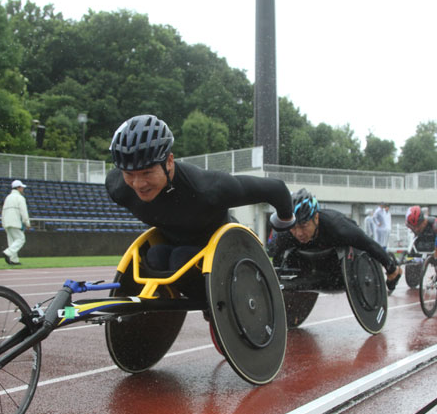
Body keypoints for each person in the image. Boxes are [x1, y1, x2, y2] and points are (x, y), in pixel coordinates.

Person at [105, 115, 295, 284]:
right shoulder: (118, 188)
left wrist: (283, 224)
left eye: (147, 172)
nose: (138, 184)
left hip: (223, 249)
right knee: (154, 257)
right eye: (129, 173)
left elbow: (276, 189)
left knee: (180, 258)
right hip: (172, 246)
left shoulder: (208, 189)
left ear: (169, 162)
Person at [270, 189, 403, 291]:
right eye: (294, 227)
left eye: (304, 226)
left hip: (339, 263)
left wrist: (391, 269)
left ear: (316, 218)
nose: (298, 233)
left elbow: (369, 244)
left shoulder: (338, 227)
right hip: (312, 263)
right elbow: (275, 266)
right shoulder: (286, 233)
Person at [1, 179, 31, 266]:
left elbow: (3, 211)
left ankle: (14, 260)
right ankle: (8, 252)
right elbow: (24, 211)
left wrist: (3, 223)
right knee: (21, 239)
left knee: (12, 241)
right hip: (15, 222)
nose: (23, 189)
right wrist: (27, 223)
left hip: (7, 222)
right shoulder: (20, 198)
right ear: (18, 188)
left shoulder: (8, 197)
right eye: (22, 187)